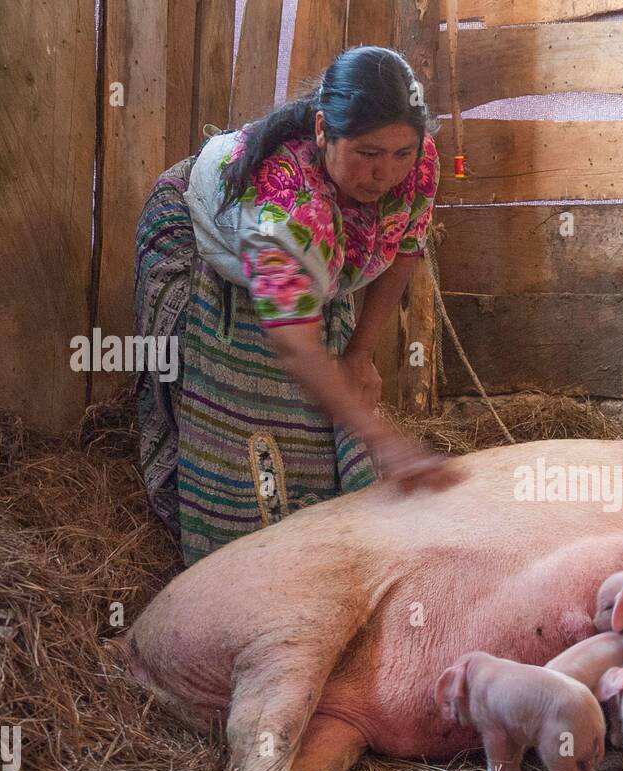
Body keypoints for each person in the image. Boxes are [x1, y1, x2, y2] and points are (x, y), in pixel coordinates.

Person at [132, 45, 461, 567]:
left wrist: (359, 353)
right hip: (207, 230)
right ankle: (220, 541)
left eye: (401, 154)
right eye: (369, 154)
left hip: (312, 249)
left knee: (324, 411)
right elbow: (294, 345)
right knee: (241, 409)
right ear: (324, 129)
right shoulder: (289, 204)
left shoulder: (414, 162)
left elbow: (405, 245)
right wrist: (390, 444)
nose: (386, 174)